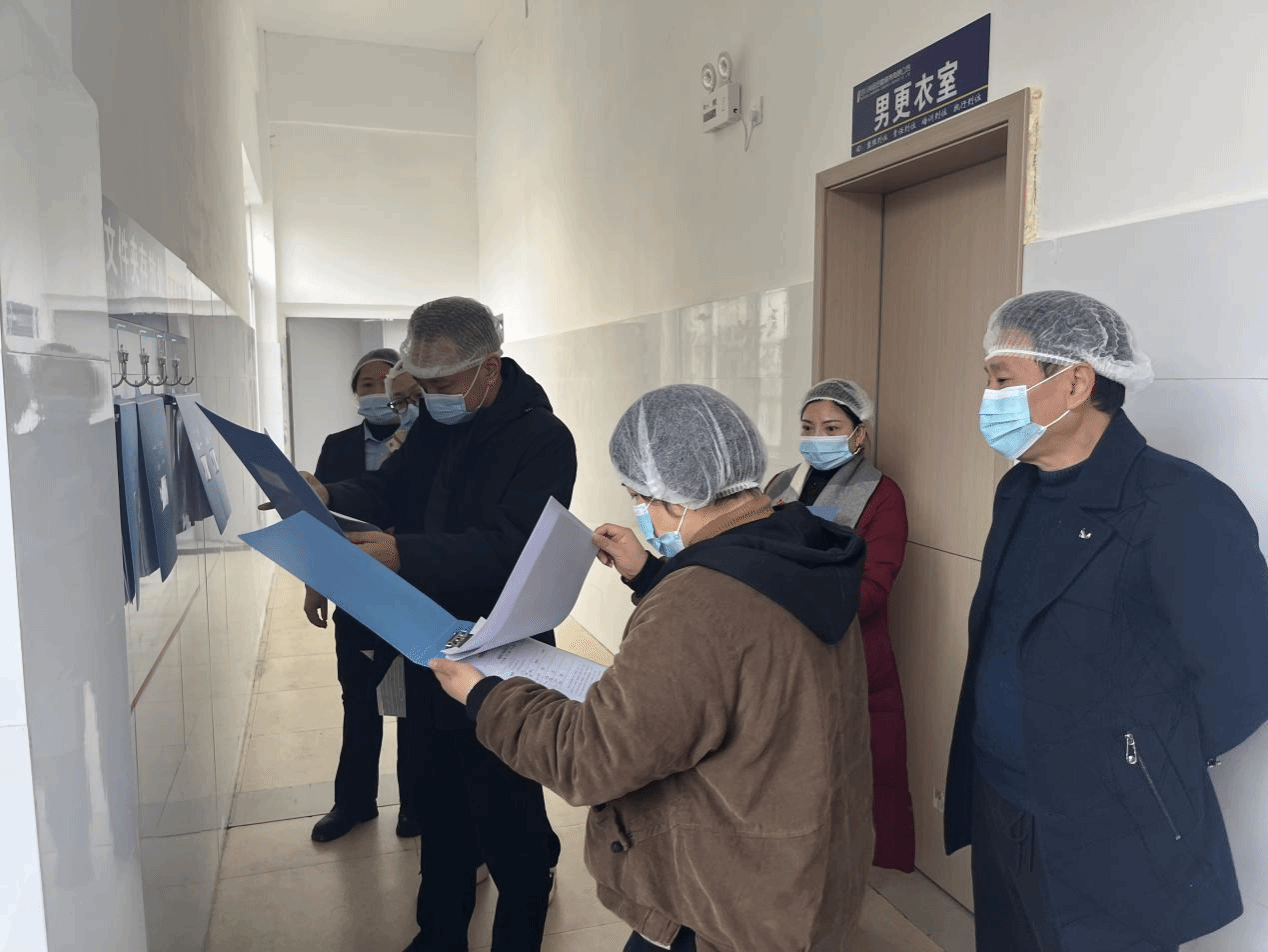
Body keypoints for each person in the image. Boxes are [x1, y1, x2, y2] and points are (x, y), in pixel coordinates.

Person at [430, 384, 875, 952]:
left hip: (720, 909)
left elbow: (592, 756)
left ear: (673, 497)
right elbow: (740, 647)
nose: (639, 510)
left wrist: (487, 695)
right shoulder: (800, 543)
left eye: (637, 495)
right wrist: (650, 575)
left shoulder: (700, 602)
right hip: (795, 876)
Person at [944, 290, 1268, 952]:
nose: (989, 399)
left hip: (1112, 832)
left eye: (1002, 380)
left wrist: (1136, 762)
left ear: (1076, 382)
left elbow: (1247, 675)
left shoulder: (1179, 504)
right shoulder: (1019, 489)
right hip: (1003, 801)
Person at [302, 298, 574, 952]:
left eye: (443, 383)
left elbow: (514, 545)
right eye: (421, 384)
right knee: (440, 810)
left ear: (490, 368)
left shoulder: (543, 439)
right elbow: (391, 489)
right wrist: (331, 494)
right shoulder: (435, 422)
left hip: (505, 653)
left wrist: (407, 553)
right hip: (430, 642)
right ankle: (438, 936)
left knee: (510, 822)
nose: (429, 397)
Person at [766, 378, 916, 872]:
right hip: (781, 654)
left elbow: (874, 586)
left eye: (832, 428)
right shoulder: (779, 485)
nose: (818, 437)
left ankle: (841, 875)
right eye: (808, 427)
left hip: (851, 654)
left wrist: (793, 595)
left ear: (859, 434)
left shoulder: (883, 495)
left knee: (854, 774)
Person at [304, 348, 420, 842]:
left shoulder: (425, 441)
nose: (376, 392)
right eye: (366, 384)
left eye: (384, 383)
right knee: (359, 698)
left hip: (412, 585)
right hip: (355, 588)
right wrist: (315, 583)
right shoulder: (337, 446)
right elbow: (318, 518)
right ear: (355, 392)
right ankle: (353, 803)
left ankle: (416, 804)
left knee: (414, 702)